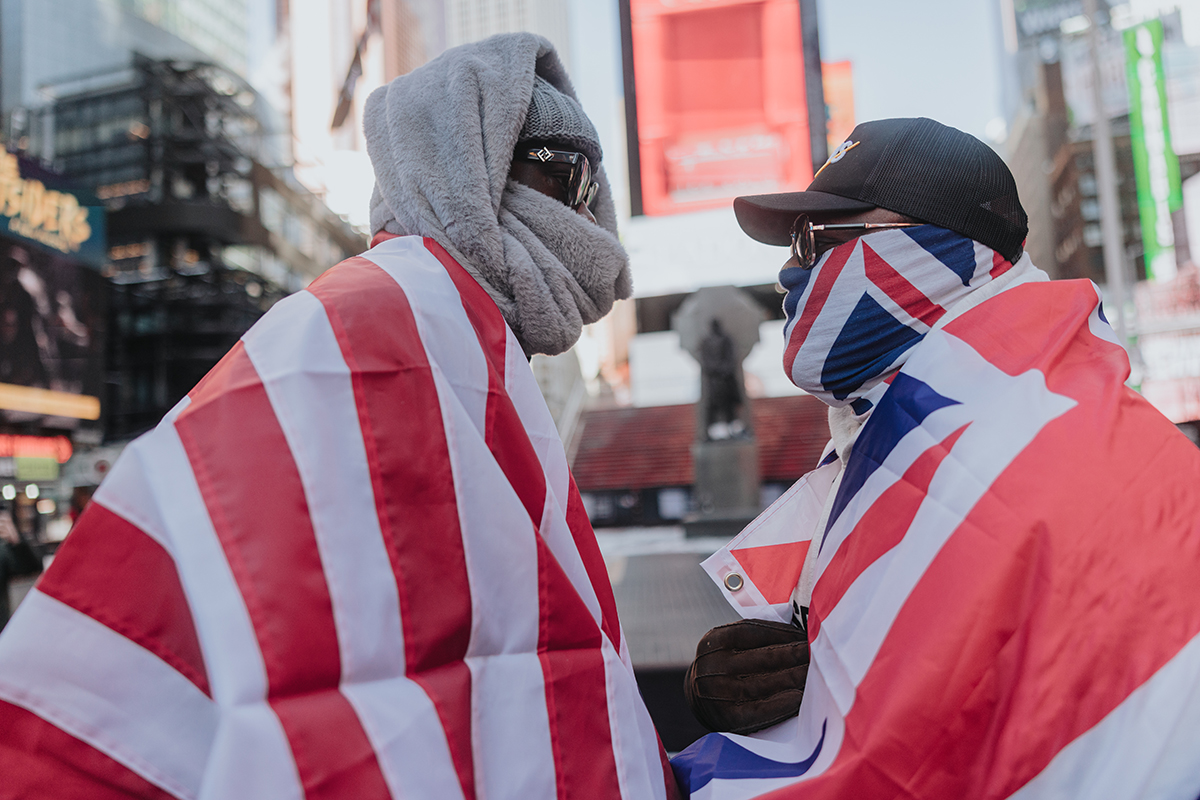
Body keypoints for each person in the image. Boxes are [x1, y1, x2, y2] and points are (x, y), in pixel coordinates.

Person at [0, 34, 678, 800]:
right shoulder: (373, 316)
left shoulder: (475, 338)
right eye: (561, 173)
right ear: (465, 162)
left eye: (590, 185)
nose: (582, 212)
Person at [674, 118, 1200, 799]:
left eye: (815, 240)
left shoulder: (1028, 449)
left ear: (933, 248)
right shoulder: (917, 427)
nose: (789, 272)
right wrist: (784, 699)